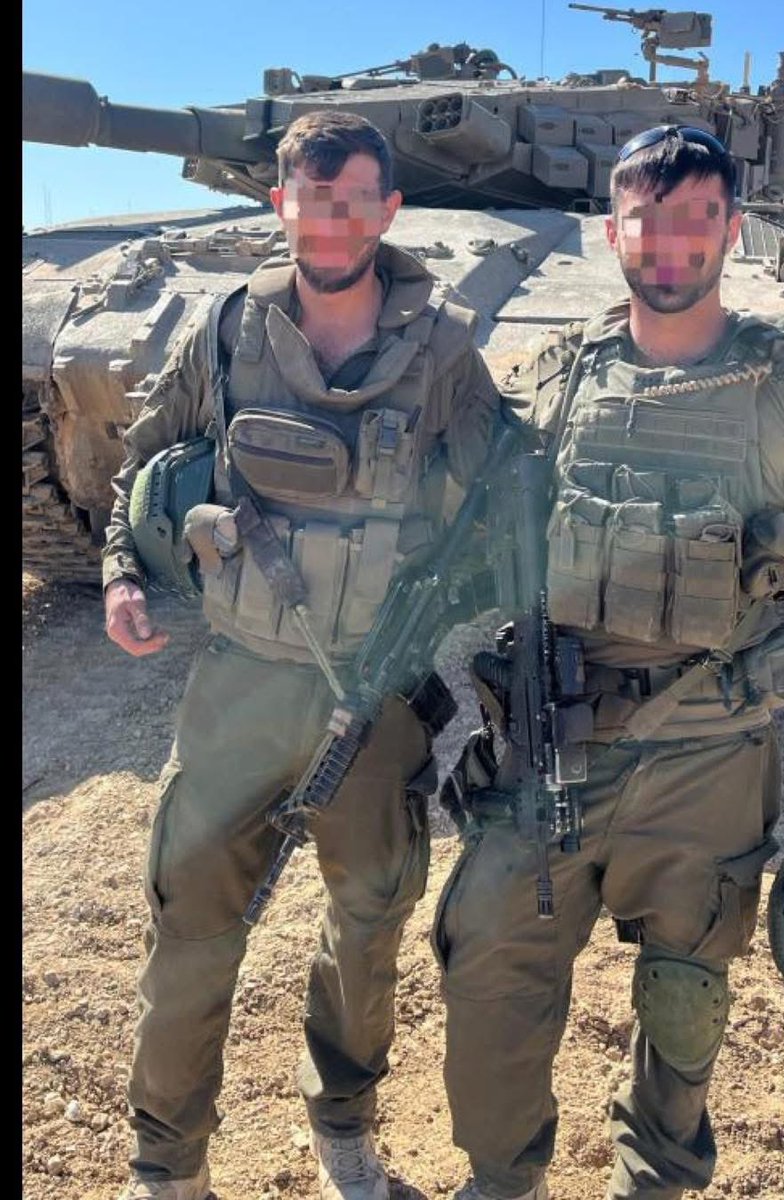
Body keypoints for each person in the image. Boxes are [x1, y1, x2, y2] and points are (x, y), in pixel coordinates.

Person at [433, 125, 784, 1200]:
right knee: (488, 972)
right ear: (614, 233)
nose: (669, 240)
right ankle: (501, 1176)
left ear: (730, 230)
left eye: (695, 217)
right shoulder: (559, 379)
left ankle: (655, 1174)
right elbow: (461, 527)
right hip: (547, 745)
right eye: (646, 219)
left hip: (709, 753)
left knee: (685, 996)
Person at [102, 110, 500, 1200]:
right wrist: (123, 571)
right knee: (190, 925)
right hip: (238, 685)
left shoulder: (444, 351)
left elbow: (503, 496)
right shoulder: (227, 330)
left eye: (354, 201)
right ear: (280, 204)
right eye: (312, 201)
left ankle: (342, 1132)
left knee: (366, 930)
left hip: (375, 696)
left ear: (388, 210)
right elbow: (145, 461)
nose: (332, 223)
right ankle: (166, 1168)